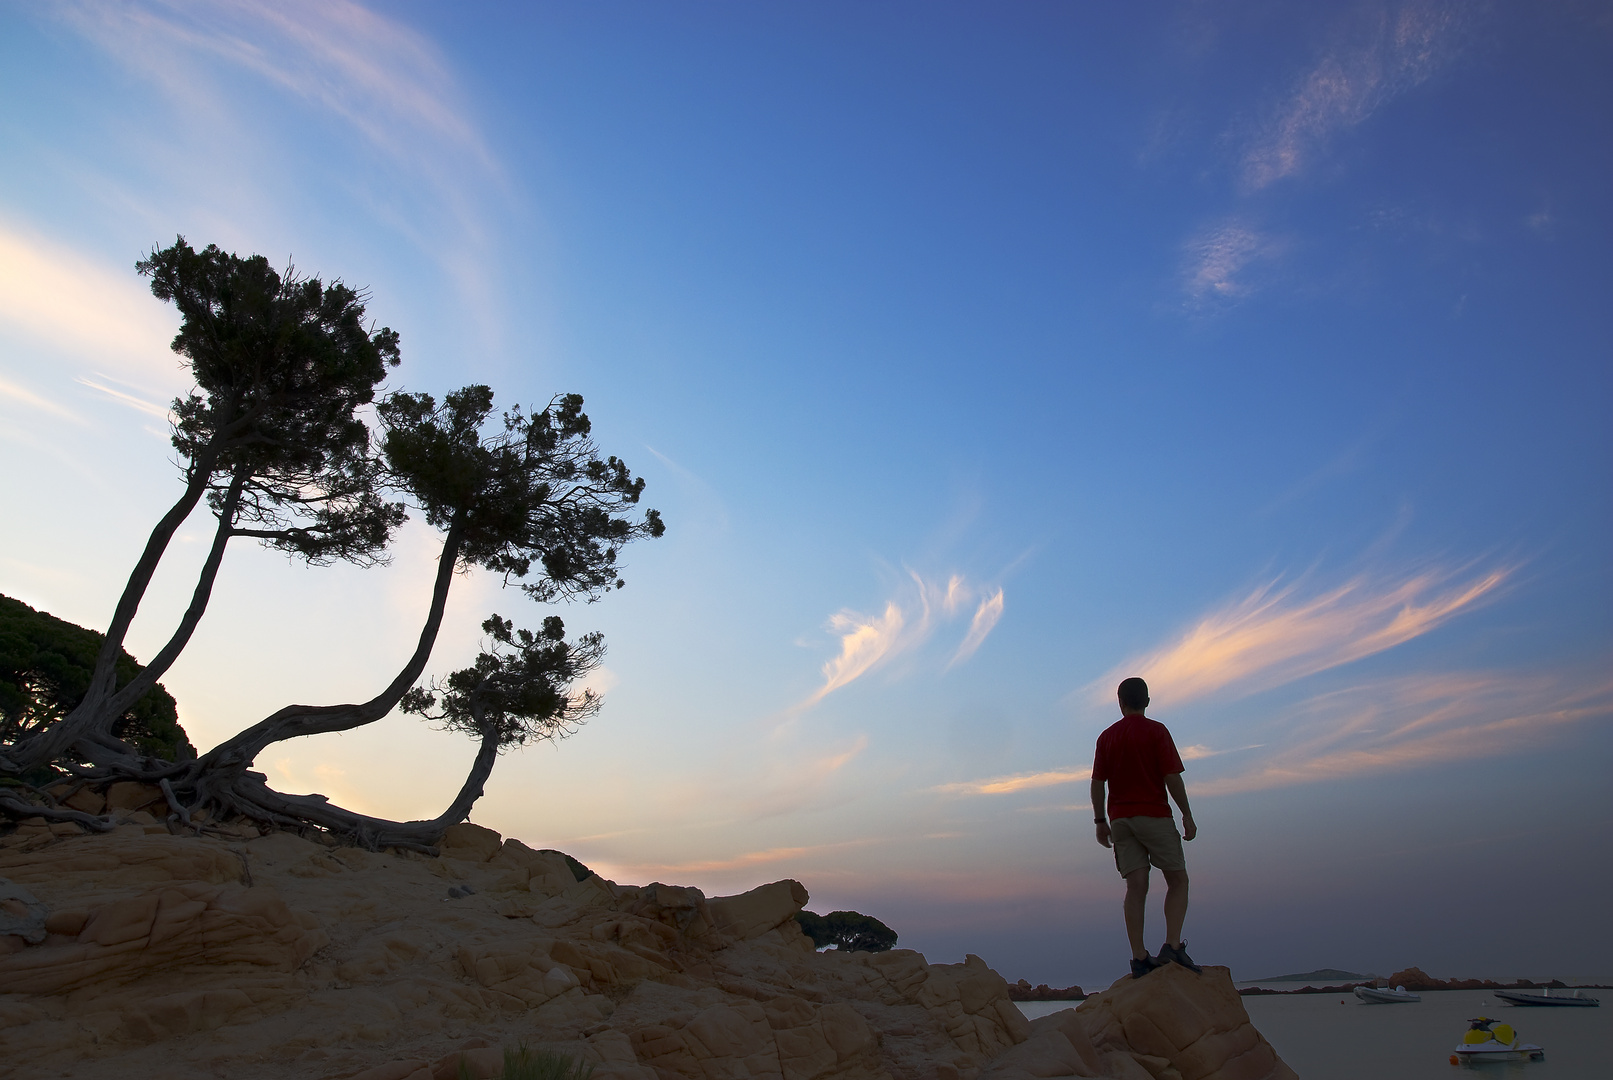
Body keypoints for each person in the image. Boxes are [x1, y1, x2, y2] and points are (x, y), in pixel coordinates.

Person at [1091, 676, 1201, 979]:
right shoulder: (1157, 731)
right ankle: (1173, 946)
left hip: (1121, 821)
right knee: (1178, 880)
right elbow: (1172, 777)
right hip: (1153, 815)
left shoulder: (1107, 737)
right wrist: (1187, 815)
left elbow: (1097, 783)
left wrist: (1100, 821)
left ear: (1120, 702)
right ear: (1147, 701)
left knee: (1136, 886)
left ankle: (1139, 958)